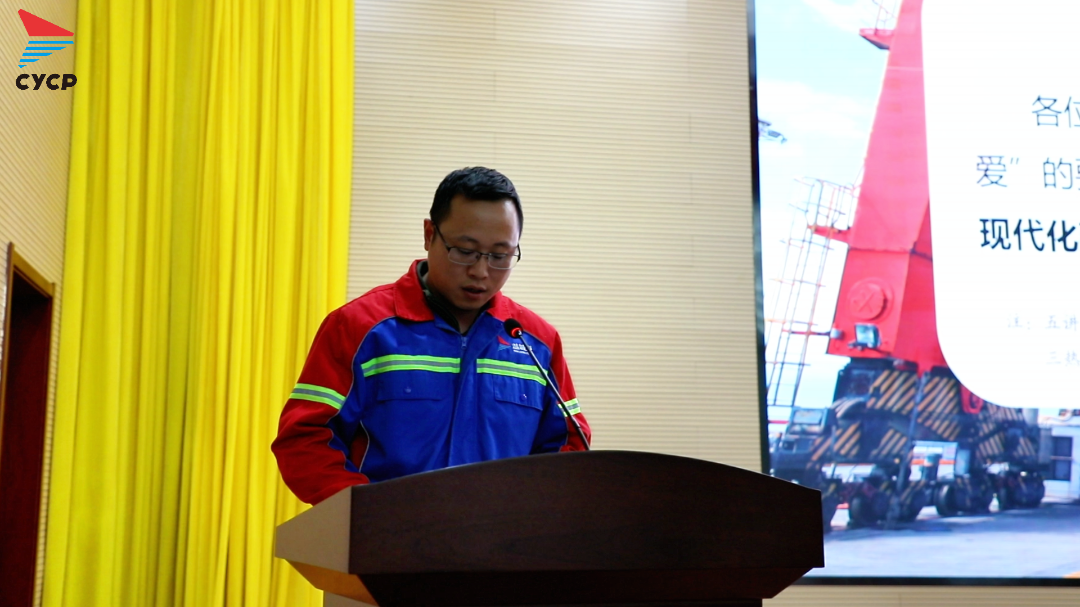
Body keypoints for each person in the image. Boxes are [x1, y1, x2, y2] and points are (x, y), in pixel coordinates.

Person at [272, 167, 592, 504]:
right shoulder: (360, 328)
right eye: (465, 251)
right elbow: (306, 439)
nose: (481, 271)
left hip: (501, 534)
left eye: (500, 256)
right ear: (429, 235)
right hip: (385, 532)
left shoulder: (535, 342)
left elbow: (569, 447)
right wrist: (367, 512)